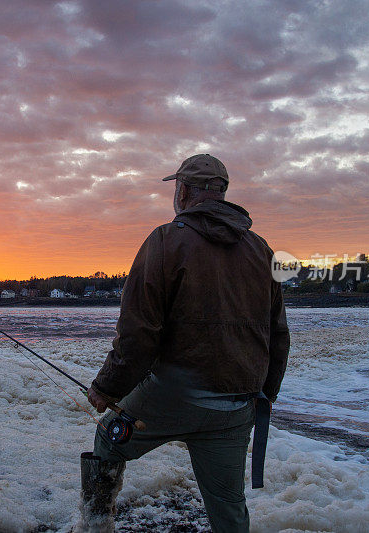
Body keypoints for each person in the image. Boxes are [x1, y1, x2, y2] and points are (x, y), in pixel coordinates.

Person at [77, 154, 290, 532]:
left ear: (184, 190)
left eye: (177, 187)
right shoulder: (262, 250)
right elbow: (278, 335)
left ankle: (95, 526)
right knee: (228, 505)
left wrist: (105, 387)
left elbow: (138, 334)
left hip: (175, 395)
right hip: (236, 405)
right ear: (221, 193)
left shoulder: (165, 240)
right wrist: (265, 394)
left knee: (108, 438)